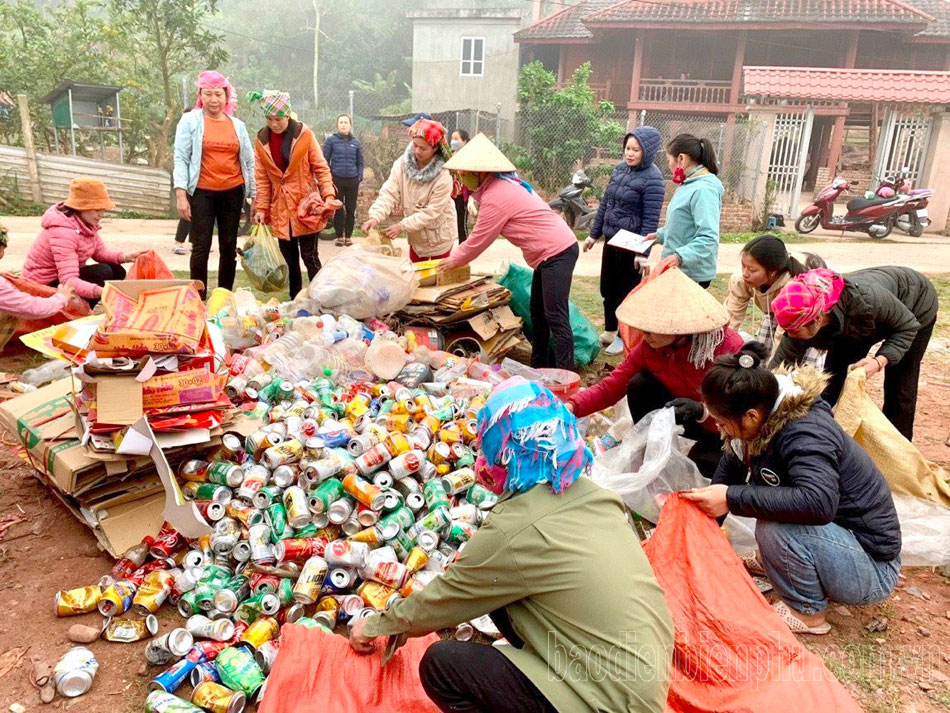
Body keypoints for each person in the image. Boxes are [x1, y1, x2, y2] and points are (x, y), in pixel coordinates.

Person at [349, 377, 673, 713]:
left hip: (608, 700)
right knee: (497, 595)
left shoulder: (515, 529)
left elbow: (442, 599)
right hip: (641, 681)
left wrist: (375, 625)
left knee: (443, 664)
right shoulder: (596, 497)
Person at [684, 342, 901, 635]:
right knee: (769, 505)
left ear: (751, 416)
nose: (721, 429)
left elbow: (817, 503)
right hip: (840, 543)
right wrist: (699, 539)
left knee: (774, 527)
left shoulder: (805, 433)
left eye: (723, 423)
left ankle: (808, 612)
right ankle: (774, 561)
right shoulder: (762, 415)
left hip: (872, 569)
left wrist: (730, 498)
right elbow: (729, 472)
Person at [565, 267, 743, 478]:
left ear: (678, 328)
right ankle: (651, 449)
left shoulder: (726, 349)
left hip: (721, 428)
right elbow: (613, 385)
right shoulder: (652, 346)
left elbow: (741, 413)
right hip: (679, 413)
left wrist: (702, 411)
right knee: (639, 384)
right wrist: (570, 406)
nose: (643, 335)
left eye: (650, 329)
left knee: (704, 467)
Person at [438, 134, 578, 371]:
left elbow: (479, 240)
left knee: (555, 316)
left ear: (480, 173)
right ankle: (540, 369)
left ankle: (567, 374)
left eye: (464, 173)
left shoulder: (497, 195)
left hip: (558, 252)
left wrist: (452, 261)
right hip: (550, 254)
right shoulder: (503, 185)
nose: (462, 177)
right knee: (539, 316)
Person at [770, 267, 937, 441]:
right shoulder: (801, 316)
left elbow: (908, 326)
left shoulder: (867, 299)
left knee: (900, 387)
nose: (790, 337)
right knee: (831, 380)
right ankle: (819, 435)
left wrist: (879, 361)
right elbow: (781, 364)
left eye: (794, 332)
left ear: (817, 319)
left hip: (915, 307)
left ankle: (899, 453)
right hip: (860, 321)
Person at [583, 126, 665, 355]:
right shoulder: (619, 170)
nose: (630, 154)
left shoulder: (654, 179)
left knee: (626, 291)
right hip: (612, 239)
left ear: (646, 151)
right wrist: (593, 234)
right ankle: (610, 329)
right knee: (608, 287)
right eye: (627, 148)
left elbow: (650, 220)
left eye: (635, 150)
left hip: (632, 245)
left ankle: (623, 335)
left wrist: (643, 253)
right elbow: (605, 205)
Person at [173, 70, 255, 298]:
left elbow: (249, 161)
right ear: (200, 95)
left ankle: (223, 298)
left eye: (218, 94)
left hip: (232, 192)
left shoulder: (237, 125)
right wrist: (181, 194)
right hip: (202, 193)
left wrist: (254, 196)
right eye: (208, 94)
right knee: (200, 247)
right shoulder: (190, 121)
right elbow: (180, 157)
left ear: (226, 96)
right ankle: (197, 299)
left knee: (228, 248)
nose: (213, 99)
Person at [249, 90, 336, 299]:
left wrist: (329, 195)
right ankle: (295, 299)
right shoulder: (261, 140)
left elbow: (320, 167)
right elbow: (261, 178)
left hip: (305, 205)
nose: (274, 124)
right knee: (289, 259)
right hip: (280, 209)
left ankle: (322, 297)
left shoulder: (304, 135)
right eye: (269, 119)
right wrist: (261, 207)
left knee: (309, 255)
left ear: (288, 115)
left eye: (278, 119)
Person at [22, 178, 144, 308]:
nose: (101, 214)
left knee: (117, 270)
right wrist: (104, 292)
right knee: (103, 272)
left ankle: (82, 308)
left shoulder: (85, 224)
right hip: (42, 287)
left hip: (61, 278)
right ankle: (77, 311)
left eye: (103, 209)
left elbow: (100, 253)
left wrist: (126, 257)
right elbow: (69, 281)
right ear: (80, 208)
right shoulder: (63, 232)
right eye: (97, 210)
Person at [362, 118, 457, 262]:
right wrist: (375, 216)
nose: (417, 151)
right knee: (416, 277)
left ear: (435, 148)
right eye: (415, 145)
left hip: (439, 238)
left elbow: (432, 212)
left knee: (437, 280)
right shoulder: (402, 164)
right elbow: (389, 192)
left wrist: (402, 226)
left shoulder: (444, 175)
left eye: (423, 148)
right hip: (417, 239)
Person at [724, 234, 826, 359]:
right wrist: (723, 353)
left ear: (772, 272)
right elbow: (731, 319)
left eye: (752, 270)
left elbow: (781, 337)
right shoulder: (740, 280)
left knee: (797, 363)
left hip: (804, 323)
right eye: (743, 266)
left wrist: (775, 372)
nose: (745, 273)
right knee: (761, 356)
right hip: (773, 312)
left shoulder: (794, 289)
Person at [647, 134, 723, 288]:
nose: (669, 166)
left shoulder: (703, 189)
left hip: (691, 273)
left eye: (669, 161)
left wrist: (680, 257)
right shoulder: (689, 184)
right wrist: (659, 235)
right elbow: (683, 224)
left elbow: (708, 237)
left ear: (681, 159)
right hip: (678, 269)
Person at [0, 223, 79, 349]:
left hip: (45, 287)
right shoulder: (63, 233)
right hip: (47, 287)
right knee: (11, 312)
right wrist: (61, 298)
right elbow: (32, 308)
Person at [323, 114, 363, 247]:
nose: (343, 125)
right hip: (337, 180)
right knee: (338, 208)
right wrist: (328, 178)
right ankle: (340, 236)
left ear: (350, 125)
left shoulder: (356, 143)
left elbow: (360, 162)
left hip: (352, 180)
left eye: (346, 122)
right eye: (341, 122)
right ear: (337, 125)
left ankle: (349, 236)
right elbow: (324, 160)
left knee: (351, 209)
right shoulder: (331, 141)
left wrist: (359, 176)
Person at [449, 129, 471, 242]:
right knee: (453, 222)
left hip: (463, 195)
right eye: (452, 139)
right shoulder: (451, 154)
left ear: (465, 141)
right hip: (452, 194)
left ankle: (464, 248)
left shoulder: (468, 156)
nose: (453, 141)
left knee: (461, 223)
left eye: (456, 139)